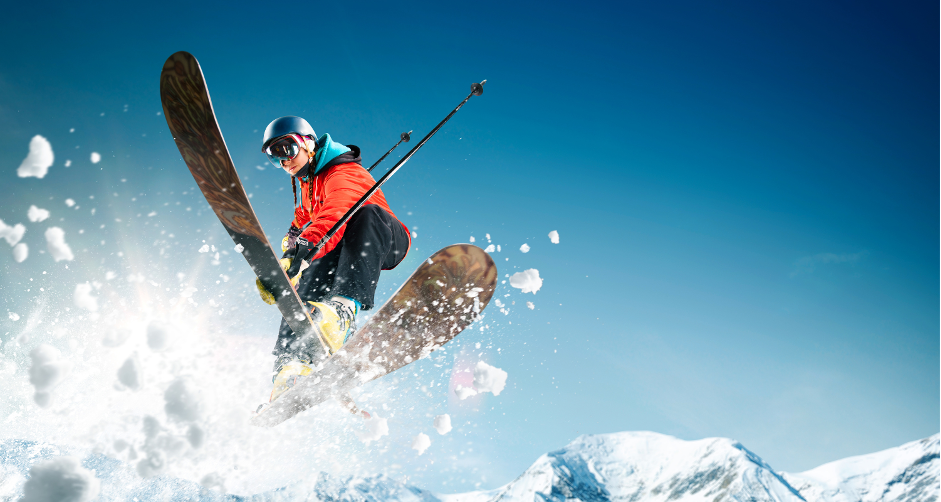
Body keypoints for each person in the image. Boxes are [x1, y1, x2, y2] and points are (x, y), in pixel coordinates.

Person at [256, 116, 410, 401]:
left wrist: (299, 252)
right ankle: (291, 366)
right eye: (273, 155)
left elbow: (334, 213)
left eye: (286, 149)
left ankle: (342, 311)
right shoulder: (305, 183)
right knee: (301, 297)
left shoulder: (343, 171)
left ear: (308, 143)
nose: (282, 161)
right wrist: (288, 254)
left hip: (382, 237)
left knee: (362, 216)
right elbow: (304, 220)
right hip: (337, 244)